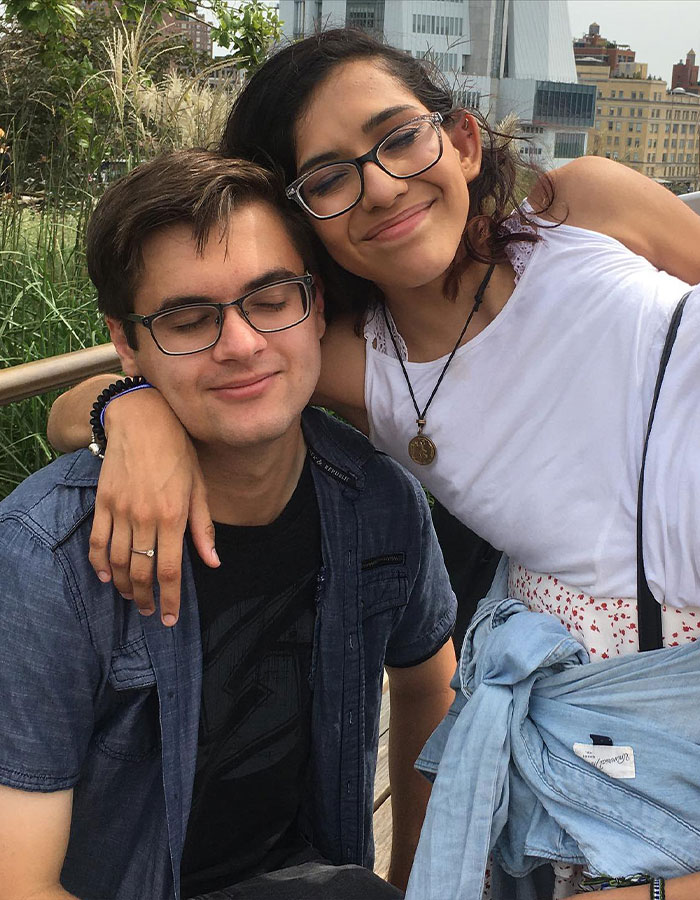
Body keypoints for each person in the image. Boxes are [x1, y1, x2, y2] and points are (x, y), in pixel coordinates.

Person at [48, 28, 700, 898]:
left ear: (461, 142)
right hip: (623, 701)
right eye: (328, 178)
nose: (383, 185)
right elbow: (104, 391)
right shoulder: (356, 366)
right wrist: (127, 413)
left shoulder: (582, 207)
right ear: (302, 222)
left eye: (399, 138)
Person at [0, 149, 459, 900]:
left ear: (313, 305)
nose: (241, 344)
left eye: (271, 298)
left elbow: (426, 678)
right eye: (188, 319)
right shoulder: (47, 563)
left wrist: (413, 879)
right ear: (128, 342)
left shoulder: (376, 500)